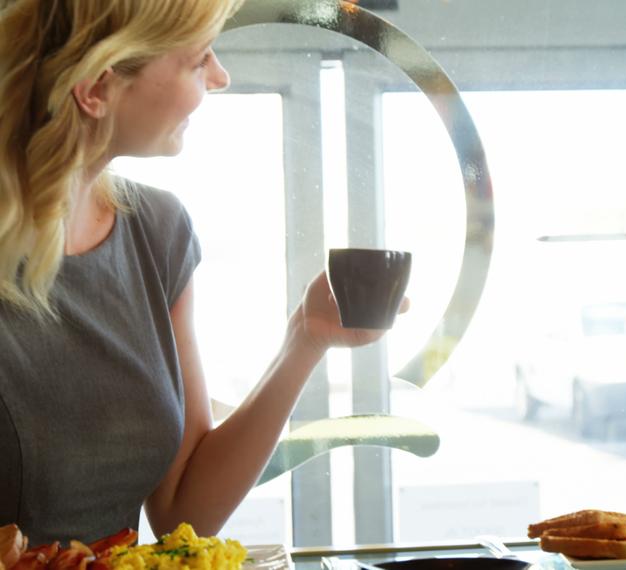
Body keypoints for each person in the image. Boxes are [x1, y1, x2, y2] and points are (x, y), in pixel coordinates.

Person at [0, 0, 404, 544]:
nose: (220, 77)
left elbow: (182, 513)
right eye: (199, 60)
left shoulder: (158, 233)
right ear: (96, 89)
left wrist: (304, 341)